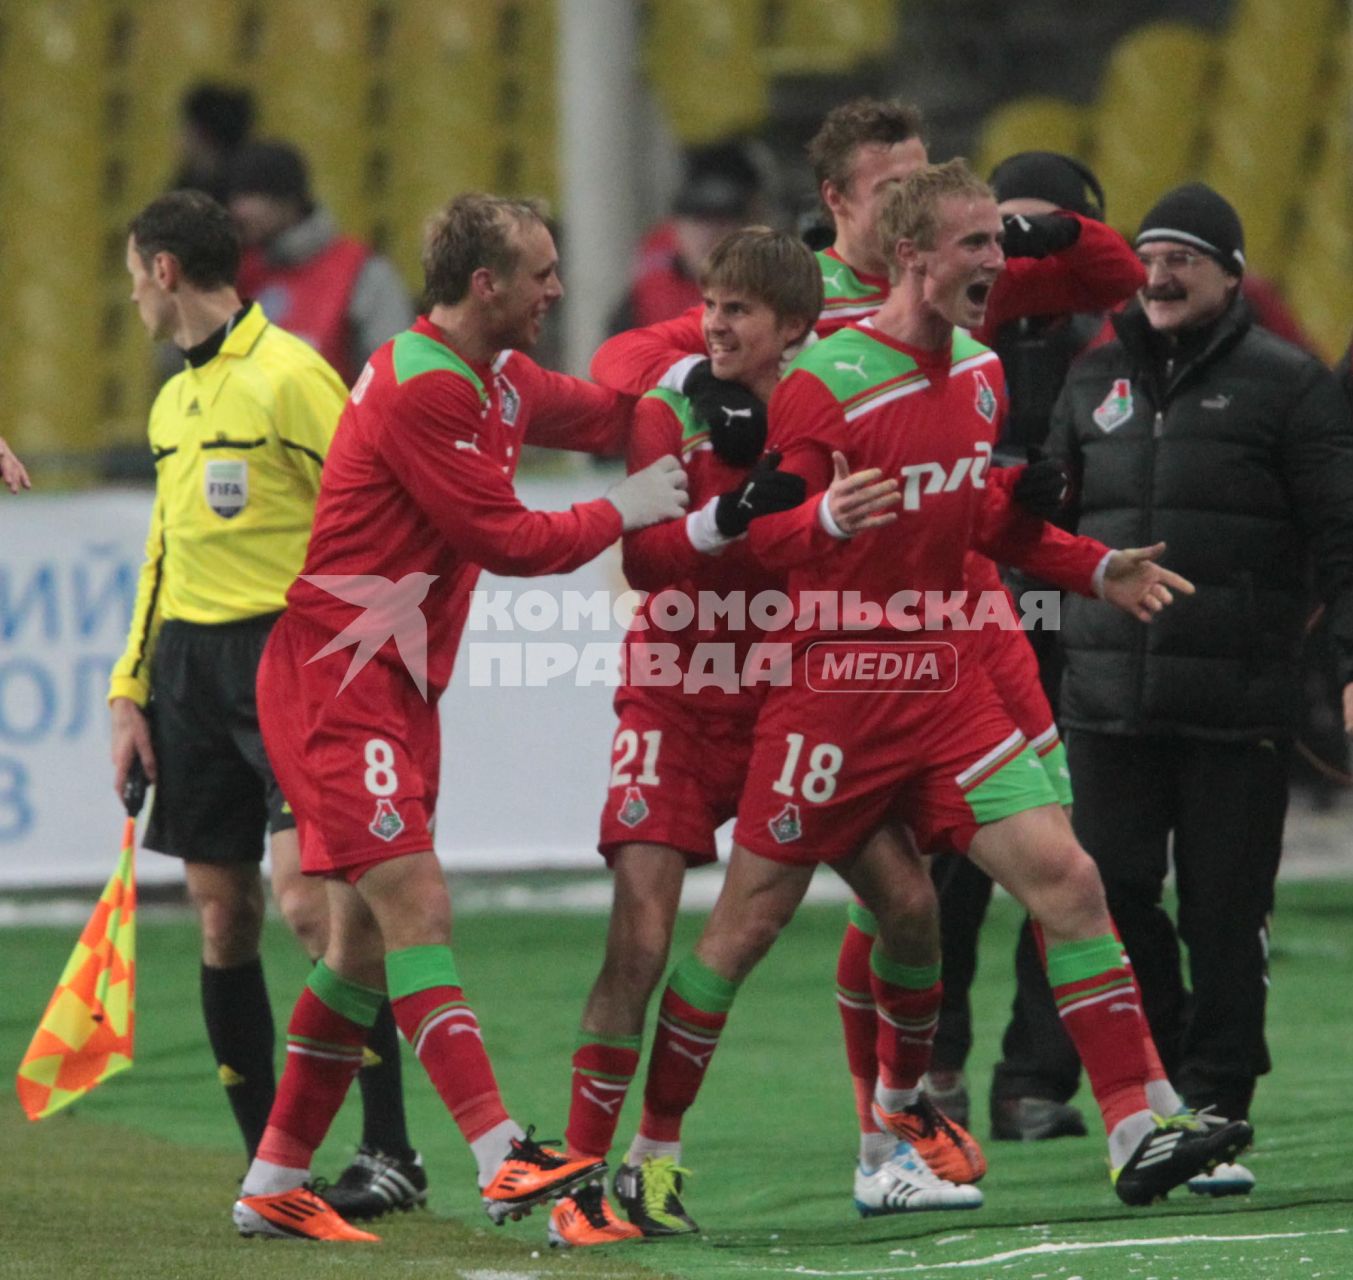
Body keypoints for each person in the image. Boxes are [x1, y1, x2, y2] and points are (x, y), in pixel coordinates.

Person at [629, 162, 1253, 1222]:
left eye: (997, 247)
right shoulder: (829, 375)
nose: (997, 264)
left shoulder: (978, 371)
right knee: (742, 931)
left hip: (945, 679)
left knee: (1070, 881)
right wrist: (823, 522)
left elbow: (983, 529)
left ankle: (1132, 1127)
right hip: (834, 693)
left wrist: (1091, 567)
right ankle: (650, 1153)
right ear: (914, 255)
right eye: (975, 245)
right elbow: (770, 530)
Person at [230, 192, 690, 1242]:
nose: (558, 290)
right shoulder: (418, 386)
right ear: (485, 285)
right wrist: (630, 505)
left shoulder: (499, 376)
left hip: (388, 680)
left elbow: (611, 410)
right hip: (334, 677)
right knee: (417, 907)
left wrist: (701, 339)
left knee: (357, 947)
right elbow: (509, 535)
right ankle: (502, 1158)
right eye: (541, 273)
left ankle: (271, 1180)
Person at [547, 228, 960, 1247]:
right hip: (677, 694)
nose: (716, 324)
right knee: (638, 939)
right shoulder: (672, 405)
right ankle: (584, 1180)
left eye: (737, 311)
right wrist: (731, 510)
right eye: (711, 305)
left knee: (911, 905)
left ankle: (886, 1138)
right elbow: (643, 563)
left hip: (794, 697)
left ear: (793, 329)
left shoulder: (833, 400)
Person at [107, 190, 428, 1220]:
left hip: (294, 657)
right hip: (192, 671)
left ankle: (389, 1149)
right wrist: (131, 689)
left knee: (311, 902)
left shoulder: (293, 377)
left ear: (164, 271)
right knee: (222, 911)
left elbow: (372, 503)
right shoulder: (171, 401)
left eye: (132, 275)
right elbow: (163, 550)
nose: (131, 297)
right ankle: (273, 1170)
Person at [1043, 182, 1353, 1196]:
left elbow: (1344, 539)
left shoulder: (1292, 385)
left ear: (1230, 271)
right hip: (1105, 700)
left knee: (1224, 912)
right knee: (1115, 894)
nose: (1162, 272)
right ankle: (1165, 1098)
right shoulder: (1088, 384)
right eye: (1150, 254)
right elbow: (1037, 538)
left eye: (1186, 255)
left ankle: (1218, 1100)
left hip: (1237, 705)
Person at [921, 151, 1149, 1144]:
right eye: (992, 230)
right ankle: (938, 1061)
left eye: (1030, 230)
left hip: (1075, 611)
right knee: (957, 859)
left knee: (1061, 850)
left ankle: (1028, 1073)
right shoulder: (949, 329)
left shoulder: (1117, 336)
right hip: (980, 613)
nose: (1009, 252)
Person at [226, 141, 414, 386]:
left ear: (288, 202)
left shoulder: (362, 273)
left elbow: (394, 379)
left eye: (252, 196)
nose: (238, 210)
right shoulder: (234, 274)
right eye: (236, 197)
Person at [609, 141, 766, 333]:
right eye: (698, 222)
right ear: (676, 229)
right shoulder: (637, 306)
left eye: (722, 223)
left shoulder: (775, 295)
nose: (709, 235)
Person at [171, 82, 256, 205]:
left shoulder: (239, 195)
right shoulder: (186, 182)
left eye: (186, 128)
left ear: (203, 134)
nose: (180, 136)